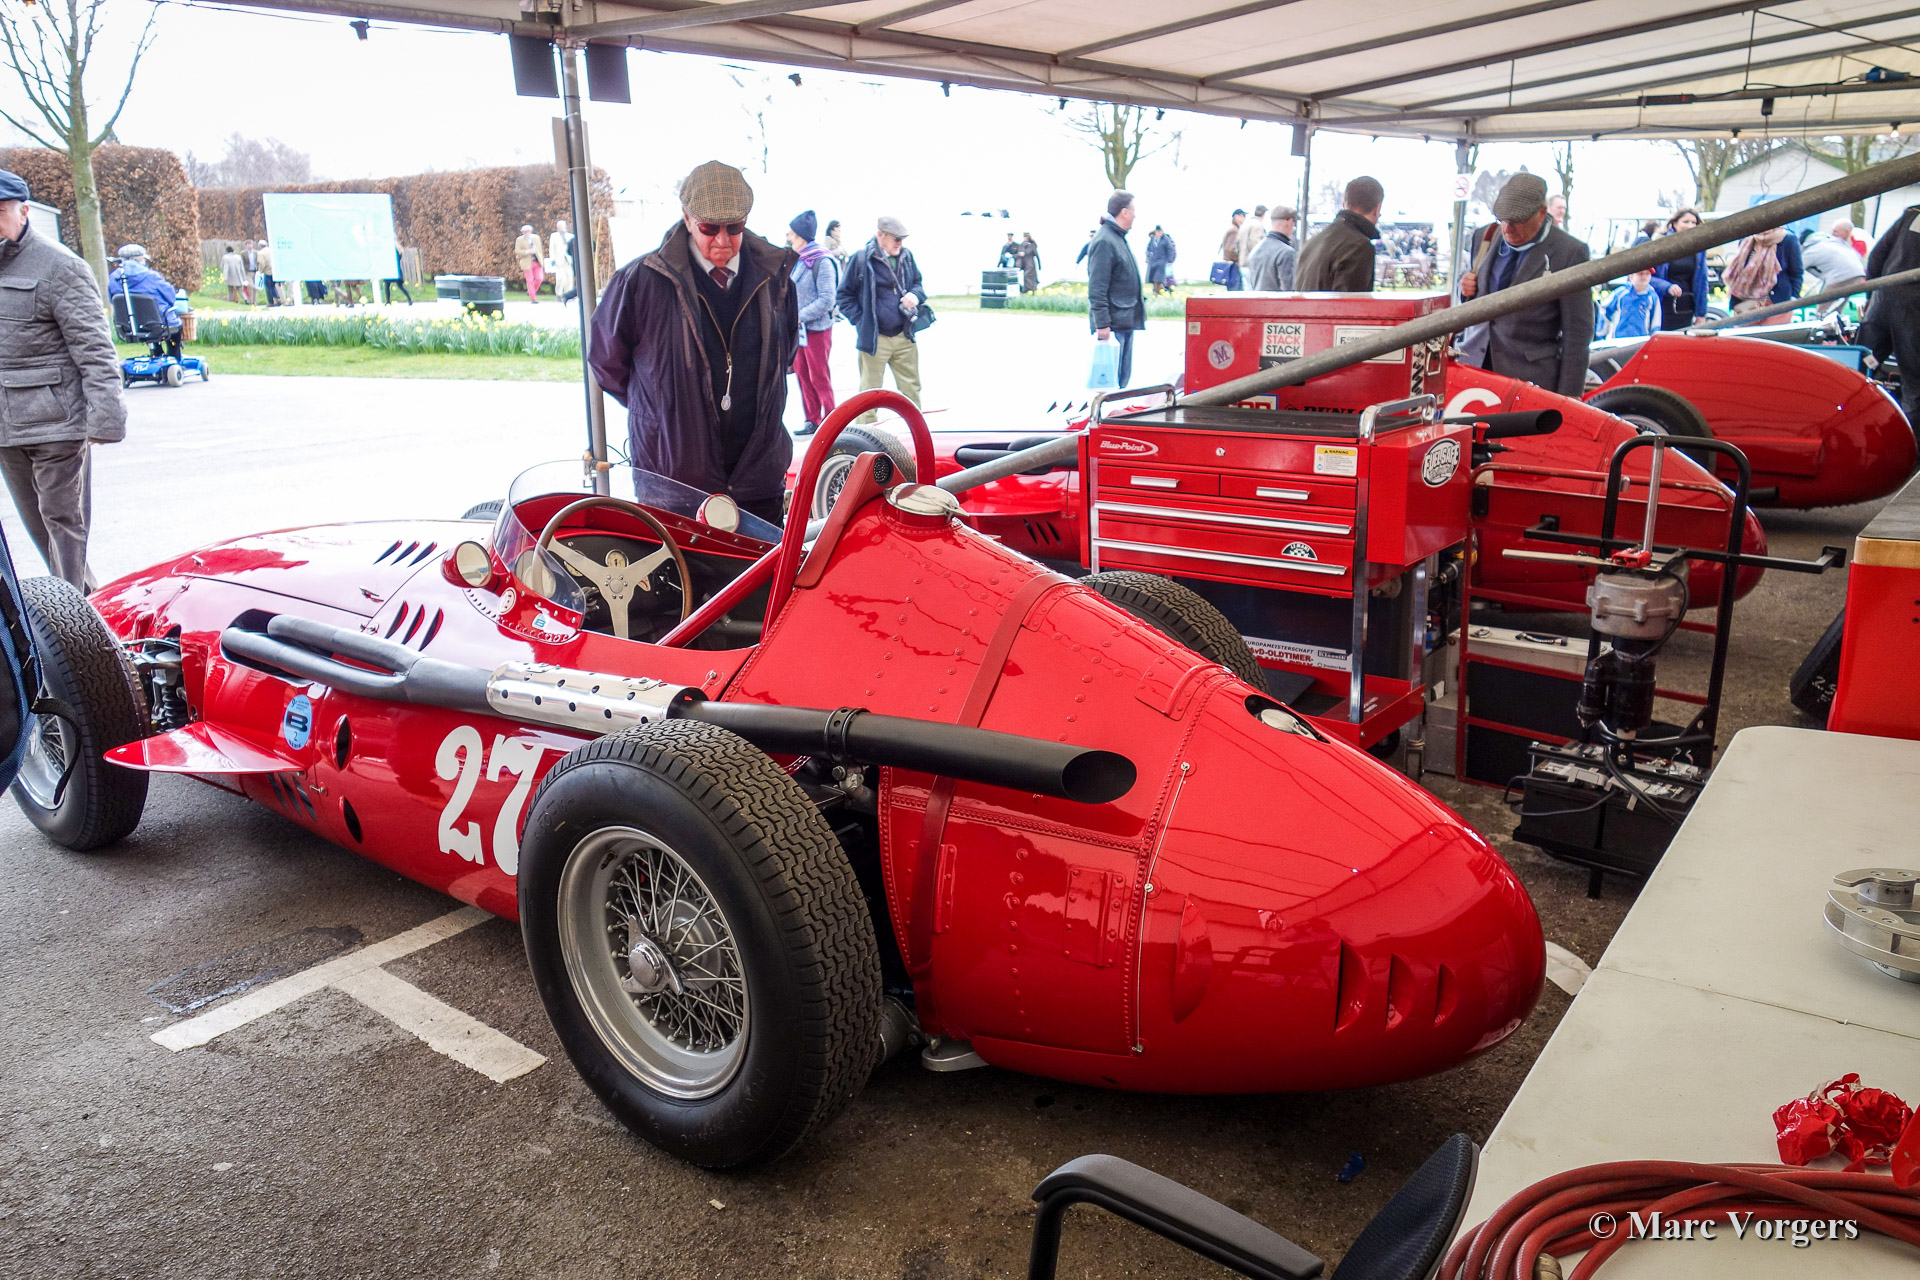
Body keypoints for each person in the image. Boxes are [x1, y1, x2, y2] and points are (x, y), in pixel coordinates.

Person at [588, 160, 799, 526]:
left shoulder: (775, 279)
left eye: (734, 227)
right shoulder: (639, 282)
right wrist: (662, 408)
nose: (722, 240)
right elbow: (607, 363)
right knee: (677, 566)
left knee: (763, 565)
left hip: (757, 480)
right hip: (674, 483)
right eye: (709, 228)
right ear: (687, 218)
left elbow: (786, 355)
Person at [0, 170, 125, 590]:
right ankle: (84, 606)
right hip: (6, 428)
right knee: (37, 525)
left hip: (56, 424)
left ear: (24, 211)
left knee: (64, 525)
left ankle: (73, 613)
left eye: (0, 212)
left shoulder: (61, 266)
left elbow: (95, 348)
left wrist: (105, 418)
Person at [1456, 173, 1593, 396]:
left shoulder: (1569, 252)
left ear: (1542, 213)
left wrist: (1569, 396)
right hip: (1474, 367)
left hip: (1530, 377)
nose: (1507, 229)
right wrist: (1465, 289)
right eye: (1503, 220)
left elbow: (1578, 332)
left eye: (1517, 222)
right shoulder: (1484, 236)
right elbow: (1475, 297)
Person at [837, 215, 927, 425]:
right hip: (875, 340)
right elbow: (843, 296)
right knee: (869, 396)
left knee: (912, 391)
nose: (900, 243)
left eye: (902, 239)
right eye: (896, 239)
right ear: (880, 235)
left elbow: (918, 284)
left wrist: (915, 295)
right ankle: (864, 438)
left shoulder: (907, 256)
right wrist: (862, 321)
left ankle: (915, 436)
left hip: (904, 335)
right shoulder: (861, 259)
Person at [1860, 204, 1920, 423]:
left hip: (1882, 300)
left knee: (1858, 369)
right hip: (1914, 308)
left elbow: (1877, 255)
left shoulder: (1914, 213)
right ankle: (1911, 442)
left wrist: (1872, 296)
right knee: (1915, 384)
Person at [1086, 189, 1146, 387]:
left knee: (1120, 379)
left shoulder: (1116, 237)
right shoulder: (1105, 241)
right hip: (1113, 324)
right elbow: (1097, 288)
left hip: (1123, 319)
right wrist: (1102, 324)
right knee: (1109, 382)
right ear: (1124, 212)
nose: (1135, 215)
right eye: (1133, 210)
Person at [787, 210, 837, 437]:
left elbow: (827, 299)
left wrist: (799, 315)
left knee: (819, 376)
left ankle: (832, 420)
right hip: (799, 331)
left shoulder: (822, 260)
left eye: (792, 234)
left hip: (817, 330)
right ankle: (812, 419)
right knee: (802, 375)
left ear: (802, 236)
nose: (788, 237)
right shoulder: (798, 259)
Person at [1295, 176, 1384, 291]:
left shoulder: (1313, 242)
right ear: (1377, 208)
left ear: (1344, 204)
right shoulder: (1357, 246)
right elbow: (1350, 300)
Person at [107, 244, 183, 358]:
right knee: (173, 325)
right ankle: (174, 356)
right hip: (157, 323)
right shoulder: (151, 276)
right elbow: (171, 296)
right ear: (139, 259)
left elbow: (113, 300)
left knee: (150, 321)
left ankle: (157, 352)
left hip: (127, 325)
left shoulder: (113, 278)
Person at [1725, 226, 1800, 323]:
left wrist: (1793, 298)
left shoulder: (1787, 240)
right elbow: (1738, 271)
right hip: (1746, 304)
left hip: (1776, 304)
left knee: (1773, 332)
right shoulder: (1747, 240)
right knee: (1746, 333)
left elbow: (1796, 272)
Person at [1650, 208, 1707, 330]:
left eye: (1693, 222)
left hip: (1686, 307)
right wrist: (1667, 287)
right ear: (1674, 223)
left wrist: (1701, 314)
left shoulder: (1699, 248)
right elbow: (1646, 277)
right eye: (1685, 222)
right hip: (1662, 305)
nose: (1690, 226)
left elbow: (1702, 282)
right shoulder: (1660, 244)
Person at [1801, 221, 1867, 315]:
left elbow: (1797, 268)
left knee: (1824, 309)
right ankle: (1834, 321)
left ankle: (1822, 321)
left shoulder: (1811, 249)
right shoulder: (1834, 242)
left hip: (1841, 276)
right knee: (1836, 309)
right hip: (1858, 273)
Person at [1244, 205, 1298, 291]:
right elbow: (1289, 292)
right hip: (1278, 300)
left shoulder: (1256, 249)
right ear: (1290, 222)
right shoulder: (1286, 252)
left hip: (1258, 299)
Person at [1599, 269, 1661, 340]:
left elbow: (1656, 320)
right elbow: (1605, 310)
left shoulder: (1652, 297)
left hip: (1641, 340)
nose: (1644, 277)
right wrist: (1601, 334)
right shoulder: (1620, 293)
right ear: (1631, 276)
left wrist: (1654, 338)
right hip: (1619, 339)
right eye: (1640, 274)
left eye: (1647, 274)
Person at [513, 224, 545, 303]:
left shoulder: (536, 238)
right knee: (529, 280)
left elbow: (540, 249)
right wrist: (527, 251)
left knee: (539, 278)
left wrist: (541, 259)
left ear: (530, 231)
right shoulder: (519, 239)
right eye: (523, 232)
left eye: (527, 231)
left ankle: (530, 291)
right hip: (527, 262)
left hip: (537, 261)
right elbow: (517, 251)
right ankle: (533, 298)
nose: (525, 233)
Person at [1237, 205, 1268, 282]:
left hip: (1242, 262)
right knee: (1254, 288)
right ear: (1264, 214)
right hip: (1251, 265)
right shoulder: (1258, 225)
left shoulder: (1245, 224)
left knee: (1247, 287)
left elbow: (1237, 243)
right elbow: (1254, 243)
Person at [550, 218, 576, 302]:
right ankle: (559, 294)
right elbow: (551, 248)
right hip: (558, 260)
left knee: (569, 277)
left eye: (562, 226)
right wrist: (552, 259)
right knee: (561, 278)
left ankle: (568, 294)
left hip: (568, 259)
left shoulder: (570, 236)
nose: (561, 228)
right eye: (559, 226)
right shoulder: (554, 236)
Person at [1146, 225, 1177, 295]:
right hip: (1153, 262)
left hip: (1162, 262)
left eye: (1160, 231)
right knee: (1154, 278)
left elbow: (1170, 249)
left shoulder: (1166, 239)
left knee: (1159, 278)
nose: (1158, 233)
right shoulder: (1153, 239)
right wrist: (1148, 256)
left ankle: (1158, 292)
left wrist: (1170, 260)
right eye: (1157, 231)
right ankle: (1157, 291)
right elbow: (1149, 248)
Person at [1219, 209, 1245, 289]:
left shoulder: (1234, 230)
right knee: (1236, 292)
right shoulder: (1234, 231)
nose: (1244, 219)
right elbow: (1230, 250)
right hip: (1233, 267)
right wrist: (1240, 258)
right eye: (1242, 216)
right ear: (1236, 216)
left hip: (1232, 267)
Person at [257, 240, 279, 306]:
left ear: (260, 246)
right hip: (274, 271)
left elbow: (261, 263)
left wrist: (260, 271)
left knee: (268, 287)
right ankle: (277, 299)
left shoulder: (260, 253)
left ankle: (271, 302)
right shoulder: (271, 250)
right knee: (273, 286)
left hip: (267, 272)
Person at [241, 239, 259, 305]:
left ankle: (254, 301)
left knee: (255, 287)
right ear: (246, 245)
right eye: (248, 244)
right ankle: (250, 300)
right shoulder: (243, 253)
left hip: (255, 271)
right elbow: (242, 263)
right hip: (248, 272)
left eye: (250, 244)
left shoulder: (256, 253)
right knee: (250, 285)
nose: (249, 246)